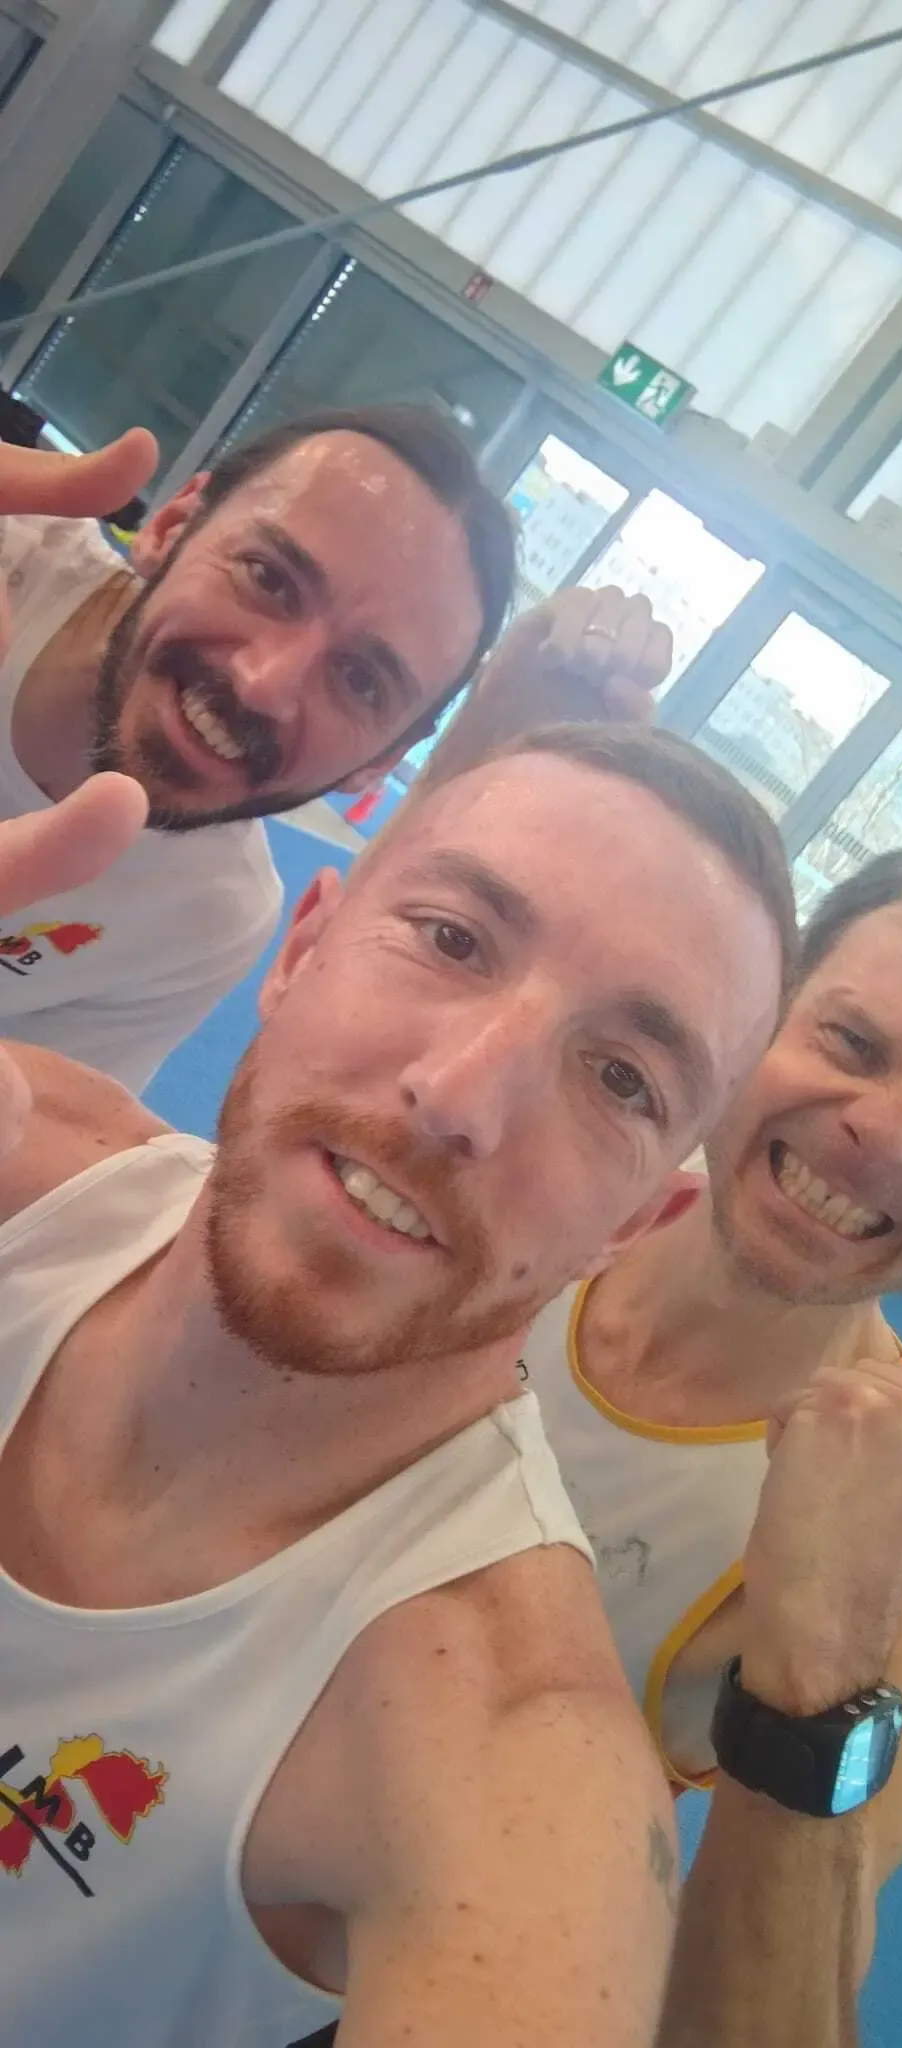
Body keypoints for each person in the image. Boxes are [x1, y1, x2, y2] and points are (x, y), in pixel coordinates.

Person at [0, 708, 793, 2047]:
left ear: (631, 1225)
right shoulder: (24, 1165)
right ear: (301, 946)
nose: (457, 1097)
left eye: (616, 1076)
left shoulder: (506, 1758)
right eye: (450, 939)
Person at [517, 841, 902, 2044]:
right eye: (852, 1044)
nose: (882, 1131)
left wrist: (817, 1679)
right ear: (764, 1013)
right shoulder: (556, 1183)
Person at [0, 418, 670, 1089]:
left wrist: (484, 773)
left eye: (359, 681)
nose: (263, 683)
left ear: (379, 760)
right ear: (172, 524)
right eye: (267, 578)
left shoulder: (207, 915)